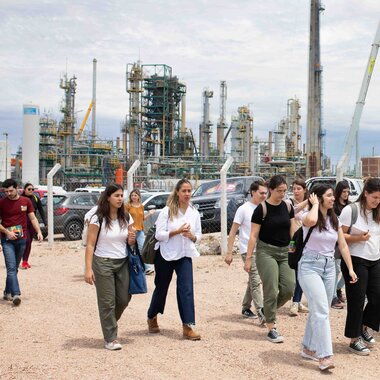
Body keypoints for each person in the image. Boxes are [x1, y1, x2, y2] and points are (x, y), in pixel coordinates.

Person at [298, 185, 357, 371]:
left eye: (333, 195)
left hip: (329, 267)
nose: (333, 198)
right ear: (318, 197)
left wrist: (351, 268)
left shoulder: (335, 220)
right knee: (322, 310)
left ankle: (308, 348)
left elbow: (343, 245)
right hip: (309, 267)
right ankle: (325, 356)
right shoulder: (307, 215)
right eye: (329, 195)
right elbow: (312, 219)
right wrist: (314, 204)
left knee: (320, 309)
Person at [147, 179, 202, 340]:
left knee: (186, 288)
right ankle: (152, 316)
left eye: (189, 191)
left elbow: (199, 235)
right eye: (184, 191)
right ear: (177, 192)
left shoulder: (194, 212)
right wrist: (177, 232)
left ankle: (188, 325)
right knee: (161, 288)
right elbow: (159, 235)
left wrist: (192, 236)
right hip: (166, 254)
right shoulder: (167, 211)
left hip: (185, 254)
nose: (187, 194)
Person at [245, 175, 297, 343]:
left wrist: (293, 251)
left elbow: (293, 230)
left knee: (289, 287)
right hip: (266, 252)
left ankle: (268, 311)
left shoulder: (288, 206)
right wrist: (248, 258)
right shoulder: (261, 209)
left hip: (285, 252)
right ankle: (271, 327)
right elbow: (253, 235)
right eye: (279, 191)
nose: (283, 194)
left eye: (284, 191)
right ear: (271, 190)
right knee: (271, 289)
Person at [84, 184, 136, 351]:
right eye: (116, 195)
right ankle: (110, 338)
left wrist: (132, 239)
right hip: (102, 262)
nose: (120, 198)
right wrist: (88, 268)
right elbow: (90, 245)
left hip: (122, 262)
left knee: (123, 299)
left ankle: (109, 324)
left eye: (122, 195)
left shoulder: (126, 217)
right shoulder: (97, 218)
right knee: (107, 302)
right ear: (108, 197)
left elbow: (130, 241)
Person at [340, 177, 380, 355]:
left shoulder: (378, 211)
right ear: (366, 194)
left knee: (377, 298)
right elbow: (340, 237)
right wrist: (358, 238)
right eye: (375, 198)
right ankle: (354, 339)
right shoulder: (351, 210)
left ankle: (364, 327)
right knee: (356, 301)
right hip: (356, 260)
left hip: (376, 260)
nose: (378, 202)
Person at [225, 181, 266, 323]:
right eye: (261, 193)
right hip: (247, 250)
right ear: (253, 192)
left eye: (266, 193)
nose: (264, 195)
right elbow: (233, 232)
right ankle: (262, 313)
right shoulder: (243, 209)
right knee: (255, 279)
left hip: (263, 250)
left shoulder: (265, 208)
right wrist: (229, 253)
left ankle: (245, 307)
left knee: (253, 280)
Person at [0, 179, 43, 306]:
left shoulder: (26, 201)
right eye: (6, 191)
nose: (8, 193)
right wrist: (7, 233)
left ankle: (7, 291)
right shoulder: (1, 203)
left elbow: (33, 217)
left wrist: (39, 231)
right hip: (7, 241)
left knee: (13, 269)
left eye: (11, 190)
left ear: (17, 188)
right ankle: (16, 294)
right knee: (12, 268)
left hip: (21, 240)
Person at [288, 179, 310, 316]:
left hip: (306, 243)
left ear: (304, 190)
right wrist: (308, 201)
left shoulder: (310, 206)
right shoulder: (290, 203)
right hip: (293, 242)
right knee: (295, 269)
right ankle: (296, 300)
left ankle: (296, 302)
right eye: (294, 188)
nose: (296, 191)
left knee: (301, 271)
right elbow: (294, 211)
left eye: (299, 189)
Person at [125, 189, 155, 275]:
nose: (133, 197)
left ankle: (147, 268)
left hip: (140, 230)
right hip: (130, 230)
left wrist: (149, 213)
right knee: (130, 249)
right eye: (132, 195)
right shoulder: (128, 206)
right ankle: (129, 268)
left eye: (135, 195)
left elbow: (142, 219)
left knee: (142, 248)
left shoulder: (141, 206)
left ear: (139, 196)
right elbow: (124, 218)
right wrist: (129, 228)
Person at [331, 180, 351, 309]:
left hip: (348, 241)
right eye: (344, 191)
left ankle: (338, 288)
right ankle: (333, 297)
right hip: (335, 242)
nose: (346, 194)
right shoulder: (333, 206)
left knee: (349, 269)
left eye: (348, 192)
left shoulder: (350, 206)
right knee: (336, 269)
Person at [20, 183, 47, 269]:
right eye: (29, 189)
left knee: (29, 242)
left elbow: (41, 210)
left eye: (32, 189)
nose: (31, 191)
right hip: (22, 223)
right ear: (24, 190)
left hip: (32, 222)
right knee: (25, 240)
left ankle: (25, 261)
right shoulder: (20, 198)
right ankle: (19, 257)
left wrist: (45, 222)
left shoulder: (35, 198)